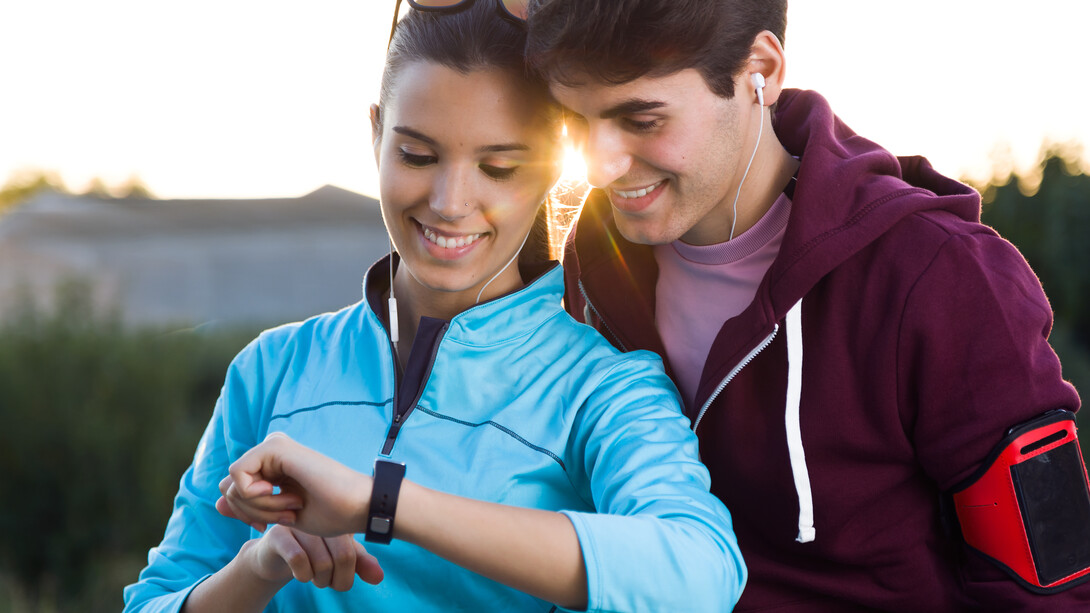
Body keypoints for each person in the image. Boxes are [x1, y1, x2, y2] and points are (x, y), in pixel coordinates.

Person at [123, 2, 746, 612]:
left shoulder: (603, 386)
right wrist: (260, 565)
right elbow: (155, 602)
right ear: (375, 134)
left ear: (555, 166)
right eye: (417, 156)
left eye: (499, 167)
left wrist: (381, 502)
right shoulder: (271, 369)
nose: (451, 201)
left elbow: (701, 573)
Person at [524, 0, 1090, 610]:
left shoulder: (941, 276)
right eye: (575, 122)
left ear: (759, 70)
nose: (598, 166)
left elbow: (1054, 588)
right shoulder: (599, 254)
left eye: (641, 119)